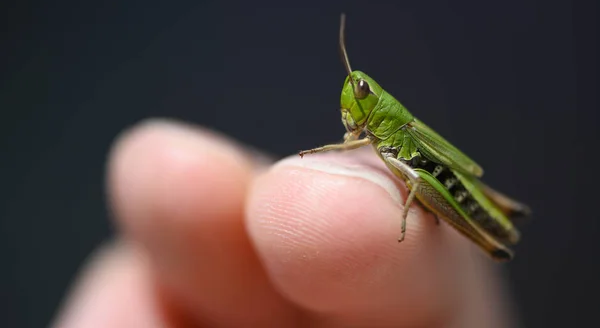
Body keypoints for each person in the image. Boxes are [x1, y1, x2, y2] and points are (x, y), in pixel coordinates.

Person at [52, 119, 518, 328]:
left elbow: (412, 176)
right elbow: (355, 145)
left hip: (442, 181)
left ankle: (497, 224)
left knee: (416, 181)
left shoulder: (400, 132)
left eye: (362, 94)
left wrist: (405, 215)